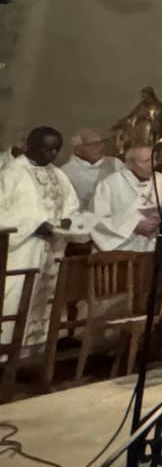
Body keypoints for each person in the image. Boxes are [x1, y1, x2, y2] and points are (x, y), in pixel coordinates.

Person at [0, 127, 82, 350]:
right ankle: (7, 355)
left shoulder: (59, 175)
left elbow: (72, 206)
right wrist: (34, 225)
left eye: (56, 149)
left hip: (52, 250)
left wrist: (68, 220)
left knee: (45, 304)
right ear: (31, 146)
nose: (53, 154)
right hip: (22, 252)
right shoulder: (11, 173)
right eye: (48, 149)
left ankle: (34, 355)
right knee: (15, 302)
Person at [86, 144, 162, 253]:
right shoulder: (110, 184)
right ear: (130, 164)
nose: (152, 164)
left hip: (152, 247)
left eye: (153, 159)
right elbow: (96, 220)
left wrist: (159, 220)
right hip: (119, 251)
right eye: (146, 161)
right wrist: (132, 225)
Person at [61, 129, 117, 211]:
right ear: (78, 149)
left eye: (100, 143)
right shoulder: (65, 172)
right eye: (91, 145)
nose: (99, 148)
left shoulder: (114, 163)